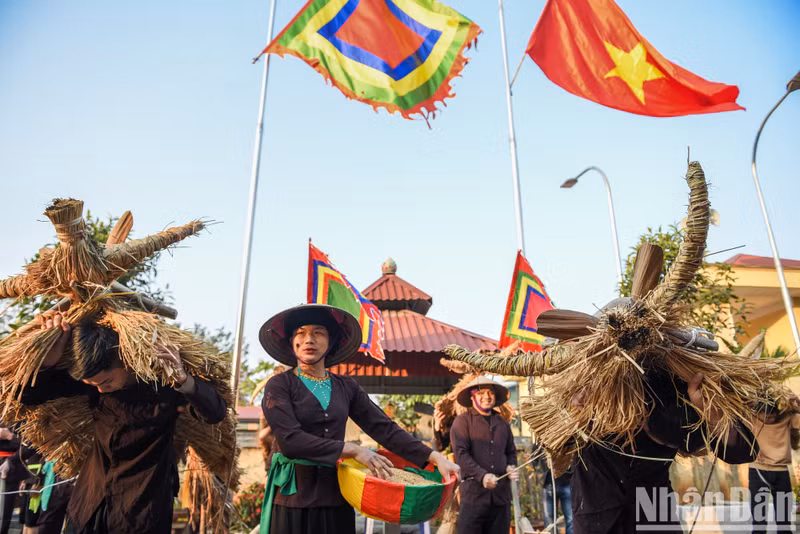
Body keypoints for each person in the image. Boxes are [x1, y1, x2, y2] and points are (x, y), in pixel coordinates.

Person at [259, 304, 461, 534]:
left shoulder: (346, 387)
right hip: (294, 496)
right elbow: (290, 440)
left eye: (318, 333)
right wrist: (353, 451)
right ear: (291, 342)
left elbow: (385, 428)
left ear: (331, 341)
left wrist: (435, 458)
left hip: (337, 493)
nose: (308, 340)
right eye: (301, 332)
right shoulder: (279, 385)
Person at [19, 312, 226, 534]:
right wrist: (49, 362)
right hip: (90, 504)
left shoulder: (163, 387)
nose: (100, 389)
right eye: (92, 384)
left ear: (124, 359)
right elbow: (27, 396)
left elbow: (214, 413)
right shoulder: (93, 383)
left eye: (106, 381)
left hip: (142, 510)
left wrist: (184, 380)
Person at [570, 367, 757, 534]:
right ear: (641, 417)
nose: (664, 448)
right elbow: (556, 439)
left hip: (655, 509)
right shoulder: (600, 388)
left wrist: (713, 414)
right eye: (656, 442)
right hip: (596, 509)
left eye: (668, 447)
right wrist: (573, 411)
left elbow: (744, 451)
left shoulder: (685, 381)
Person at [449, 376, 518, 534]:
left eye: (491, 393)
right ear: (472, 396)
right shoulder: (462, 422)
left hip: (501, 499)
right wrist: (482, 475)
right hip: (474, 497)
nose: (487, 396)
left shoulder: (503, 424)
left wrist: (511, 466)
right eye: (482, 392)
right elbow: (461, 455)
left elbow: (511, 452)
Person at [748, 400, 800, 532]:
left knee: (784, 520)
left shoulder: (787, 418)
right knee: (759, 519)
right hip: (758, 470)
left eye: (773, 415)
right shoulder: (751, 418)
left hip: (781, 471)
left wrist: (796, 402)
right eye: (766, 416)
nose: (770, 418)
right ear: (758, 413)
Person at [534, 455, 573, 534]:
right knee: (549, 520)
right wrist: (541, 476)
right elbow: (534, 459)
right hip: (549, 485)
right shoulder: (541, 444)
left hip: (566, 483)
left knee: (571, 519)